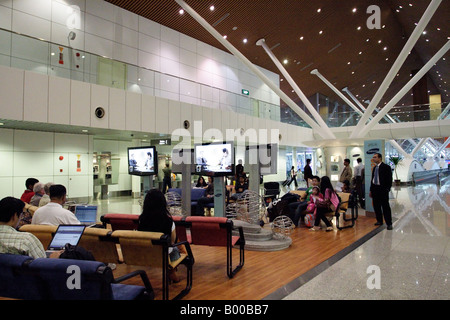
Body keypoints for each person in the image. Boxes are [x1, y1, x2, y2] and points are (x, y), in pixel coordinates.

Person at [138, 189, 180, 282]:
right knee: (176, 249)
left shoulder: (141, 220)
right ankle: (171, 271)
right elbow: (172, 241)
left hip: (146, 252)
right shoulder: (169, 222)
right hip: (163, 254)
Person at [370, 153, 393, 230]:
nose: (373, 158)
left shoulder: (386, 167)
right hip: (375, 189)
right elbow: (372, 180)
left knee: (385, 207)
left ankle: (389, 223)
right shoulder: (374, 168)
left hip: (382, 190)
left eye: (375, 157)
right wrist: (371, 190)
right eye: (373, 157)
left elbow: (389, 179)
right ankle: (379, 220)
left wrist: (387, 189)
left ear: (380, 158)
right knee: (376, 206)